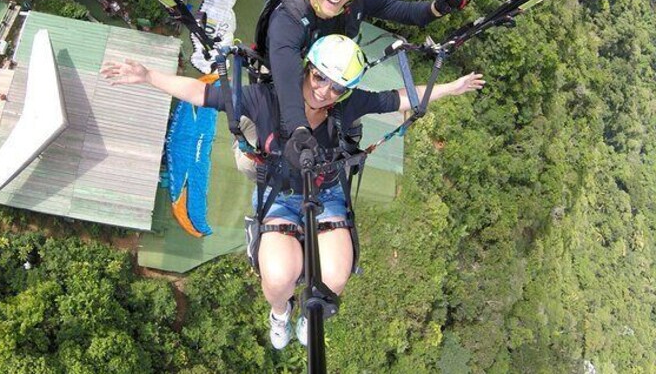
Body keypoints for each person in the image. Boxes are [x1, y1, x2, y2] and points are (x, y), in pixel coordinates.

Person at [101, 34, 484, 350]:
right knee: (280, 275)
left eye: (337, 87)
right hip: (278, 196)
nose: (325, 91)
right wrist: (149, 75)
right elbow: (205, 96)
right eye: (319, 78)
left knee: (335, 277)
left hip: (326, 193)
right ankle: (281, 313)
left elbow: (399, 98)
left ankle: (308, 314)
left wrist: (450, 87)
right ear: (307, 70)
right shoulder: (265, 99)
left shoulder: (345, 106)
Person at [263, 0, 468, 171]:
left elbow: (403, 11)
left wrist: (437, 8)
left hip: (333, 87)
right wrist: (299, 129)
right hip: (284, 85)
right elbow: (287, 82)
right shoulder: (289, 18)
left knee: (346, 125)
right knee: (270, 145)